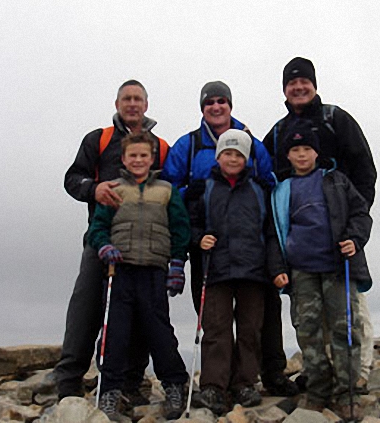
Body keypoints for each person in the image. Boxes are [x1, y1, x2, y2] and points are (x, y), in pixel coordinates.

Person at [263, 57, 377, 386]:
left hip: (342, 238)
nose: (298, 87)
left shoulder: (336, 119)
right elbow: (264, 172)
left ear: (314, 85)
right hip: (303, 249)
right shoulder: (278, 132)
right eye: (291, 83)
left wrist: (352, 221)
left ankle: (357, 376)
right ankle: (322, 377)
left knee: (350, 312)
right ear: (284, 89)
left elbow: (365, 169)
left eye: (304, 82)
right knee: (312, 319)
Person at [55, 80, 169, 404]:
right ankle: (68, 384)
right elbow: (72, 178)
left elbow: (173, 191)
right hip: (100, 238)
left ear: (146, 105)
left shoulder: (161, 146)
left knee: (138, 315)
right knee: (86, 308)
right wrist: (94, 189)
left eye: (138, 99)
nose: (132, 104)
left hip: (143, 246)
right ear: (117, 103)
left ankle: (130, 385)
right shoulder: (99, 139)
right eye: (126, 98)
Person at [271, 122, 372, 421]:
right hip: (301, 271)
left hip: (337, 268)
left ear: (317, 152)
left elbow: (360, 213)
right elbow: (274, 232)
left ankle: (346, 393)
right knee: (308, 332)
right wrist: (278, 267)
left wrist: (354, 239)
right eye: (295, 150)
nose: (301, 155)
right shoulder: (281, 190)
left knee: (345, 331)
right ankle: (317, 391)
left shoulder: (337, 181)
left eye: (307, 149)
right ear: (287, 155)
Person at [88, 132, 189, 421]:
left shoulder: (167, 191)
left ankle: (174, 386)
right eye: (133, 155)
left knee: (159, 332)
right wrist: (104, 245)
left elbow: (180, 229)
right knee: (115, 333)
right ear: (123, 158)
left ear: (153, 158)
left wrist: (178, 264)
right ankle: (109, 391)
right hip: (119, 271)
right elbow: (98, 228)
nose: (138, 160)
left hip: (155, 272)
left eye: (144, 155)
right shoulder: (114, 189)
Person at [187, 130, 287, 415]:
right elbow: (190, 223)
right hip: (216, 269)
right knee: (216, 329)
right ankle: (213, 386)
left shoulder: (259, 189)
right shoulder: (203, 187)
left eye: (239, 154)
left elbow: (270, 233)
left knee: (249, 330)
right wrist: (198, 239)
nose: (233, 158)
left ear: (247, 159)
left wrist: (276, 268)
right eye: (227, 153)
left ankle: (245, 382)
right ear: (218, 156)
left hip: (253, 271)